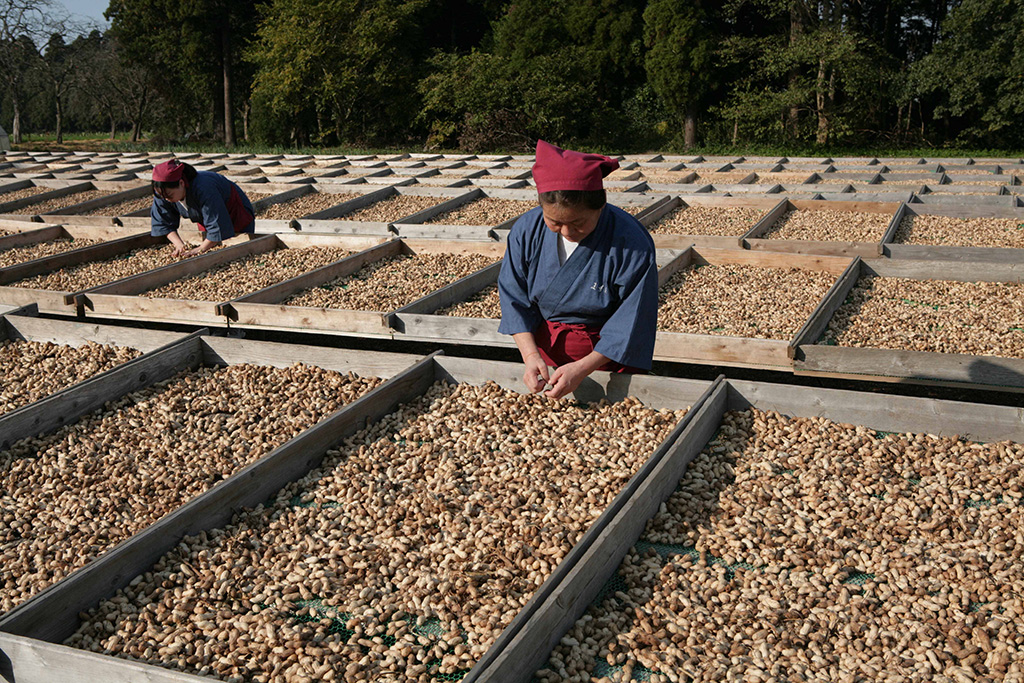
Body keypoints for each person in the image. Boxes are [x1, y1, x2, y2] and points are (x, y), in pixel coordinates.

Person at [497, 140, 659, 399]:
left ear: (601, 204)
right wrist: (530, 356)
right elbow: (513, 296)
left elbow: (633, 319)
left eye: (579, 222)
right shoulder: (526, 230)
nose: (567, 232)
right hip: (544, 354)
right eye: (555, 222)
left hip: (607, 357)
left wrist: (583, 368)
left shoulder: (631, 242)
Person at [150, 159, 256, 257]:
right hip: (205, 217)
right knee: (213, 245)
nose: (166, 199)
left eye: (169, 195)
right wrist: (179, 245)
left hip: (234, 210)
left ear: (181, 183)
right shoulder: (162, 193)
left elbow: (216, 222)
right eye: (161, 196)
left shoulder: (204, 188)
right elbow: (163, 223)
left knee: (242, 250)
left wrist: (201, 248)